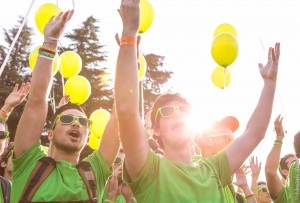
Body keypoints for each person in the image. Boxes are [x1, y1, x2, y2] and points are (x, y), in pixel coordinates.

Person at [114, 0, 280, 202]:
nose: (178, 114)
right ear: (156, 130)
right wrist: (129, 34)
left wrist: (269, 84)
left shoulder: (215, 169)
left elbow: (255, 132)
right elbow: (126, 111)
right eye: (167, 112)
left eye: (183, 110)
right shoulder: (149, 169)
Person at [12, 10, 119, 202]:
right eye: (68, 119)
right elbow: (36, 100)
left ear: (87, 138)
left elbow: (122, 114)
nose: (76, 124)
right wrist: (50, 41)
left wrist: (128, 50)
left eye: (82, 122)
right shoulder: (29, 162)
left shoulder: (94, 172)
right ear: (50, 133)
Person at [196, 116, 240, 203]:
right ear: (209, 141)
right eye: (229, 138)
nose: (233, 143)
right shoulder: (194, 172)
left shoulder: (228, 186)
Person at [266, 122, 300, 202]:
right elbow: (270, 171)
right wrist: (279, 138)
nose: (297, 164)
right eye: (294, 163)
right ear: (285, 171)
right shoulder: (285, 196)